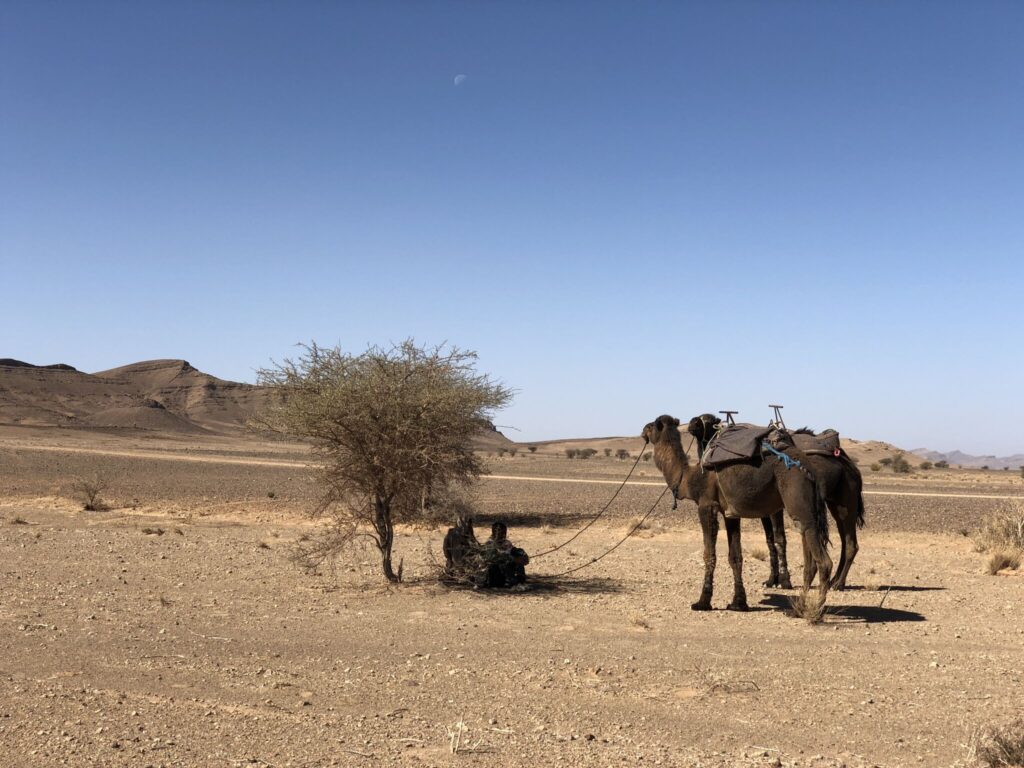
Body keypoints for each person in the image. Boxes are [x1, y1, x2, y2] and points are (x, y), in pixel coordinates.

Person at [481, 520, 529, 588]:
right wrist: (513, 559)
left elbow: (513, 550)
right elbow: (498, 558)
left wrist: (523, 554)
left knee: (519, 562)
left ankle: (521, 582)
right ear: (494, 533)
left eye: (505, 532)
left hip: (508, 568)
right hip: (496, 574)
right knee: (503, 564)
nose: (504, 535)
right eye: (501, 533)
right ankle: (512, 583)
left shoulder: (506, 543)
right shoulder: (489, 544)